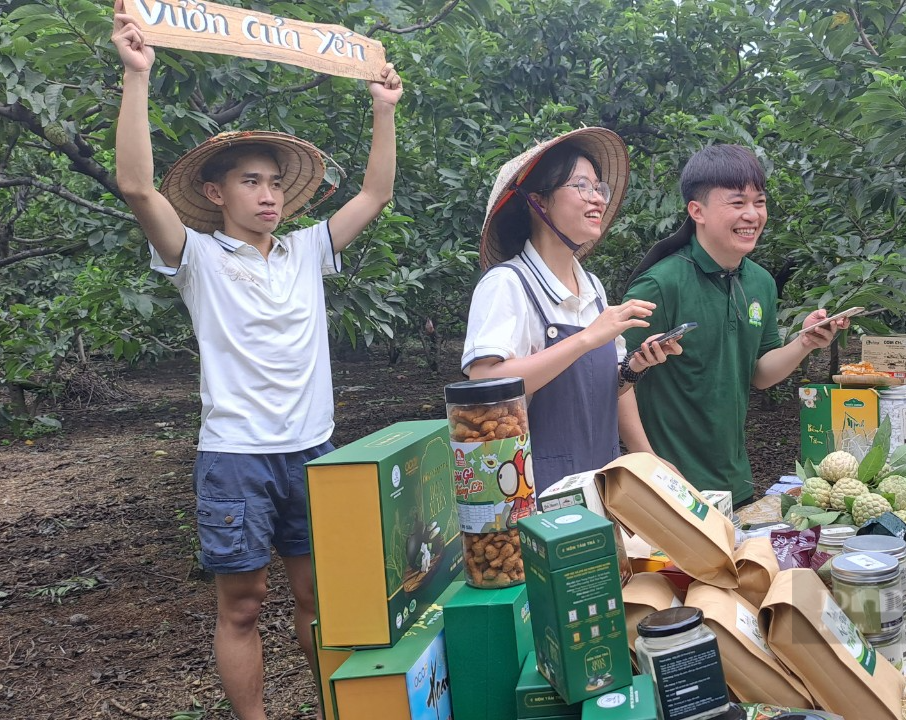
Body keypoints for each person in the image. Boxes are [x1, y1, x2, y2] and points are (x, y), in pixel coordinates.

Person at [110, 3, 401, 718]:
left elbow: (376, 193)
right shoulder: (198, 258)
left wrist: (384, 108)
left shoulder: (309, 251)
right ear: (216, 193)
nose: (267, 194)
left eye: (274, 182)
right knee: (242, 607)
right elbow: (137, 188)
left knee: (315, 598)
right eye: (249, 181)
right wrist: (136, 77)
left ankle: (332, 707)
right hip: (236, 456)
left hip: (312, 450)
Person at [619, 144, 847, 507]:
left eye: (759, 202)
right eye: (737, 202)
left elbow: (759, 373)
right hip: (669, 485)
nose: (752, 215)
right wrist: (646, 458)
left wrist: (805, 343)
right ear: (698, 211)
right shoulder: (661, 285)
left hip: (736, 483)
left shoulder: (760, 282)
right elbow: (613, 378)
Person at [462, 128, 680, 489]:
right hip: (536, 490)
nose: (597, 199)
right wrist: (586, 339)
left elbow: (603, 390)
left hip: (600, 481)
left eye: (598, 188)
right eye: (582, 186)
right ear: (539, 201)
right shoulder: (508, 284)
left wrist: (646, 454)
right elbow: (486, 383)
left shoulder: (592, 287)